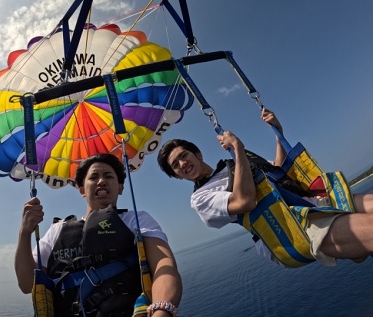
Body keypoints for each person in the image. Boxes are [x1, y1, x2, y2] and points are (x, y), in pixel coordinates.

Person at [156, 108, 373, 267]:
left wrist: (278, 132)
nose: (182, 164)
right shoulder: (201, 198)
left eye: (183, 156)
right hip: (287, 228)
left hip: (309, 202)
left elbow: (276, 171)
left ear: (198, 154)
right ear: (176, 175)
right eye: (175, 165)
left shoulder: (233, 165)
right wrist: (238, 149)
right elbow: (245, 201)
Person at [15, 153, 182, 317]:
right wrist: (24, 233)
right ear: (82, 190)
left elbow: (164, 266)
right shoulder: (56, 231)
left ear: (120, 187)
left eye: (109, 176)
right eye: (94, 177)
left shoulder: (134, 220)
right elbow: (26, 284)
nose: (101, 181)